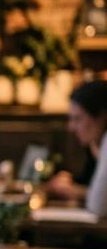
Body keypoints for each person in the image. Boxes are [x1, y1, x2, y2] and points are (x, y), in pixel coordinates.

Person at [45, 79, 107, 219]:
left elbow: (98, 206)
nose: (71, 127)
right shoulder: (93, 146)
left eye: (78, 119)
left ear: (101, 117)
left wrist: (76, 191)